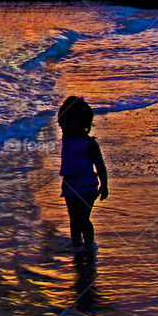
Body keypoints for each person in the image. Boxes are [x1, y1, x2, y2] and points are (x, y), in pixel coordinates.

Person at [57, 96, 109, 252]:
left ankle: (89, 246)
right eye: (63, 122)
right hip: (70, 184)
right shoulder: (66, 137)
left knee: (83, 218)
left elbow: (100, 165)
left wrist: (104, 185)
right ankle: (76, 245)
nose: (65, 125)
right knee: (74, 219)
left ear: (82, 124)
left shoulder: (89, 143)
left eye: (70, 122)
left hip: (87, 186)